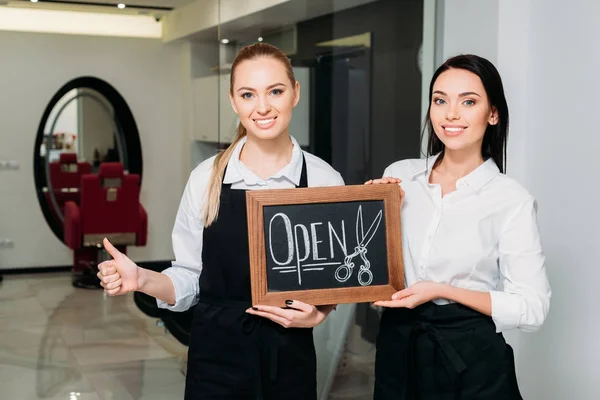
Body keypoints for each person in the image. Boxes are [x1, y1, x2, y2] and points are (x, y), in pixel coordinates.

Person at [97, 42, 343, 400]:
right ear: (233, 101)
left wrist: (321, 313)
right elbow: (189, 277)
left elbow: (336, 277)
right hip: (215, 359)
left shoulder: (324, 180)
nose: (262, 107)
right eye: (248, 94)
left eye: (275, 91)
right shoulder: (205, 178)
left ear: (295, 93)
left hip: (288, 357)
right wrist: (142, 279)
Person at [366, 54, 551, 399]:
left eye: (468, 101)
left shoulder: (511, 199)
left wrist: (442, 290)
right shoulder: (401, 176)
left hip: (472, 361)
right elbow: (365, 264)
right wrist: (368, 210)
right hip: (399, 349)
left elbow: (533, 308)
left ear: (493, 113)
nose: (451, 114)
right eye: (440, 100)